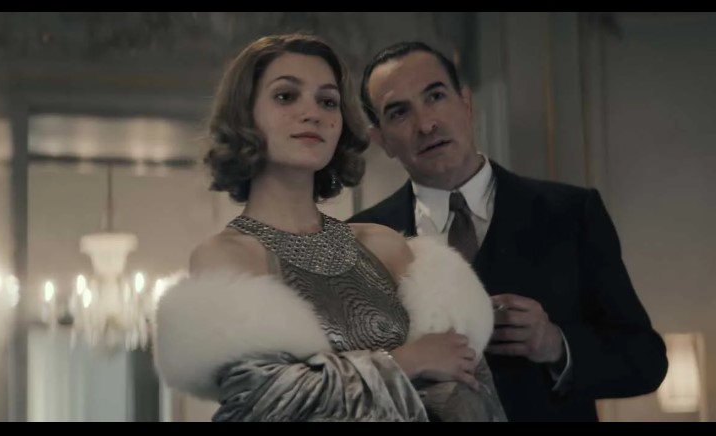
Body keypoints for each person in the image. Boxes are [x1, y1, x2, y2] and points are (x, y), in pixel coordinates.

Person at [151, 34, 506, 422]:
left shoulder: (383, 245)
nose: (313, 113)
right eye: (286, 96)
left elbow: (470, 386)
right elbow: (265, 402)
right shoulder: (228, 256)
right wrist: (406, 362)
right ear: (245, 116)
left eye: (327, 101)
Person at [348, 41, 668, 422]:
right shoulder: (360, 241)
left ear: (466, 103)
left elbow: (646, 360)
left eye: (435, 96)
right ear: (381, 140)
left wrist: (556, 344)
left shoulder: (571, 213)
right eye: (399, 112)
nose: (426, 124)